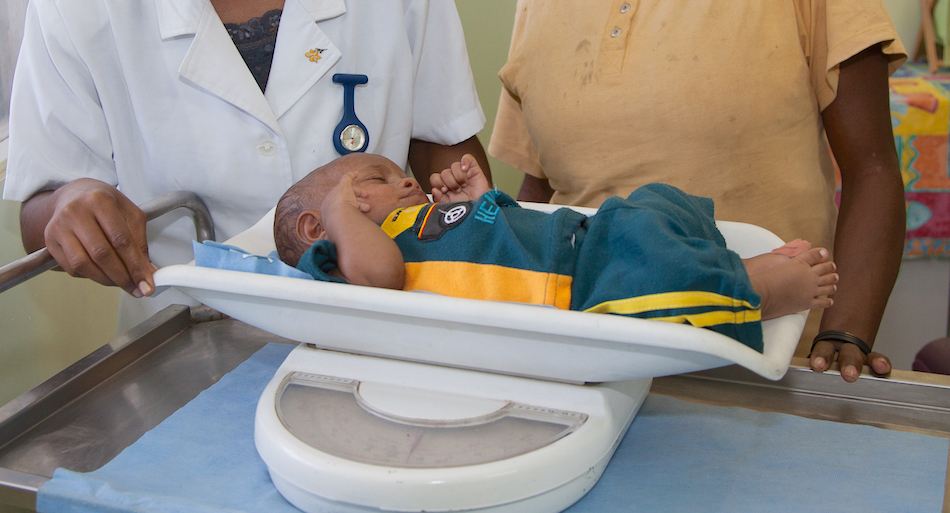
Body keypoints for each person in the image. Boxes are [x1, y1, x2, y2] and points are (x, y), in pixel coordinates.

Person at [2, 0, 490, 332]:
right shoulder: (75, 11)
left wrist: (479, 222)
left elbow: (443, 146)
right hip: (184, 338)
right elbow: (41, 206)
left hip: (383, 319)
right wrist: (72, 205)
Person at [487, 1, 907, 382]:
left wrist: (845, 331)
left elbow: (871, 167)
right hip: (587, 361)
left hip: (763, 364)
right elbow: (539, 191)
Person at [273, 153, 839, 352]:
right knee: (653, 284)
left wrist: (482, 203)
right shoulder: (347, 264)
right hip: (582, 285)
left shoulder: (412, 224)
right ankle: (750, 287)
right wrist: (341, 214)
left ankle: (709, 258)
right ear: (316, 225)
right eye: (378, 178)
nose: (405, 182)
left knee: (658, 203)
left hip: (582, 235)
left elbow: (503, 235)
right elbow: (380, 276)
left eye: (403, 175)